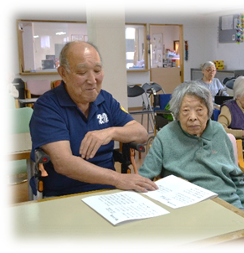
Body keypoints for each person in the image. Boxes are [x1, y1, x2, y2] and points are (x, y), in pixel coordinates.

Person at [29, 41, 158, 197]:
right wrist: (118, 178)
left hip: (108, 190)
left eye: (97, 70)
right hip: (65, 194)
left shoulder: (105, 100)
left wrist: (110, 132)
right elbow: (64, 163)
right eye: (82, 73)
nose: (92, 80)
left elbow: (141, 133)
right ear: (63, 73)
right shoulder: (48, 106)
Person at [138, 81, 244, 211]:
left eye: (199, 110)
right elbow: (145, 177)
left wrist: (243, 209)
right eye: (185, 111)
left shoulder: (218, 131)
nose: (192, 117)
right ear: (177, 113)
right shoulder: (165, 135)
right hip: (187, 206)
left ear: (208, 111)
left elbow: (236, 177)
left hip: (227, 202)